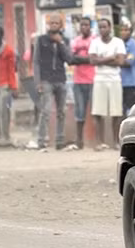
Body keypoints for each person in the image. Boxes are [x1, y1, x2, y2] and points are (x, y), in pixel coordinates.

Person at [33, 14, 77, 150]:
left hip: (60, 79)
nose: (53, 25)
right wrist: (37, 81)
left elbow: (69, 59)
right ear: (48, 24)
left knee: (61, 112)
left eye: (56, 23)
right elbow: (36, 61)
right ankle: (41, 141)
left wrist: (61, 43)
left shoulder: (65, 40)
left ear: (61, 25)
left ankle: (59, 141)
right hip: (46, 80)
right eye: (51, 23)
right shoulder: (41, 40)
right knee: (45, 111)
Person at [89, 19, 126, 150]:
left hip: (115, 79)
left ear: (110, 27)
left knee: (116, 112)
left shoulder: (118, 42)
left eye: (104, 27)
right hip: (99, 79)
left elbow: (121, 61)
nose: (102, 29)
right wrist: (110, 58)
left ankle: (116, 142)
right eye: (100, 27)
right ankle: (99, 142)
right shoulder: (95, 43)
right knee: (98, 112)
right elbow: (92, 61)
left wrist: (101, 60)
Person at [70, 16, 95, 149]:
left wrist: (79, 58)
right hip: (78, 81)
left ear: (90, 26)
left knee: (95, 110)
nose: (84, 27)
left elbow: (94, 59)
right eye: (82, 25)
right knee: (79, 111)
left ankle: (96, 140)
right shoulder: (75, 41)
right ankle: (79, 140)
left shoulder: (95, 40)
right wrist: (86, 58)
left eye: (86, 25)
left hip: (93, 80)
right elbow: (70, 59)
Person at [20, 34, 43, 144]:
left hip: (42, 78)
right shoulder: (29, 53)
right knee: (37, 103)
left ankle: (39, 123)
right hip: (32, 78)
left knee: (41, 103)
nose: (35, 42)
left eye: (36, 40)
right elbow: (27, 65)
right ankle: (36, 121)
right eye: (33, 40)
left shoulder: (43, 51)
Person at [120, 21, 135, 117]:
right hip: (120, 83)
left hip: (131, 84)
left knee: (131, 112)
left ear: (131, 31)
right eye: (122, 30)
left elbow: (128, 62)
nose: (124, 32)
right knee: (121, 112)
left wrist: (114, 59)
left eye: (126, 30)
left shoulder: (134, 46)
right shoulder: (119, 44)